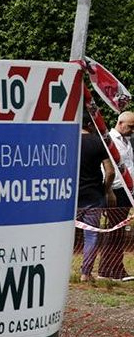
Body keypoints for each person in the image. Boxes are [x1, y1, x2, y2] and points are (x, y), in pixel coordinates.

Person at [77, 116, 116, 282]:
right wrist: (106, 190)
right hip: (93, 196)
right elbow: (110, 172)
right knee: (91, 236)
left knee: (62, 234)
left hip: (70, 197)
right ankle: (85, 273)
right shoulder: (98, 142)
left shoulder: (67, 141)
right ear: (90, 124)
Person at [99, 112, 134, 279]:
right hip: (117, 191)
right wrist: (109, 192)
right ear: (120, 123)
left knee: (119, 232)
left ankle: (116, 267)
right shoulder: (109, 141)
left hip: (128, 191)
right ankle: (107, 269)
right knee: (114, 230)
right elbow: (106, 168)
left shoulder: (126, 141)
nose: (132, 130)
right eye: (131, 127)